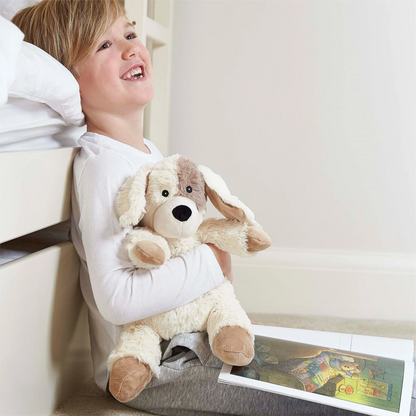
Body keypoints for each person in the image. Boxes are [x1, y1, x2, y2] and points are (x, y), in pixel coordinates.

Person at [12, 1, 368, 414]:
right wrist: (211, 261)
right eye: (104, 45)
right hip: (151, 363)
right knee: (322, 399)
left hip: (187, 334)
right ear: (68, 79)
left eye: (129, 34)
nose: (131, 49)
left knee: (337, 368)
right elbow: (117, 299)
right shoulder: (102, 166)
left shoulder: (147, 154)